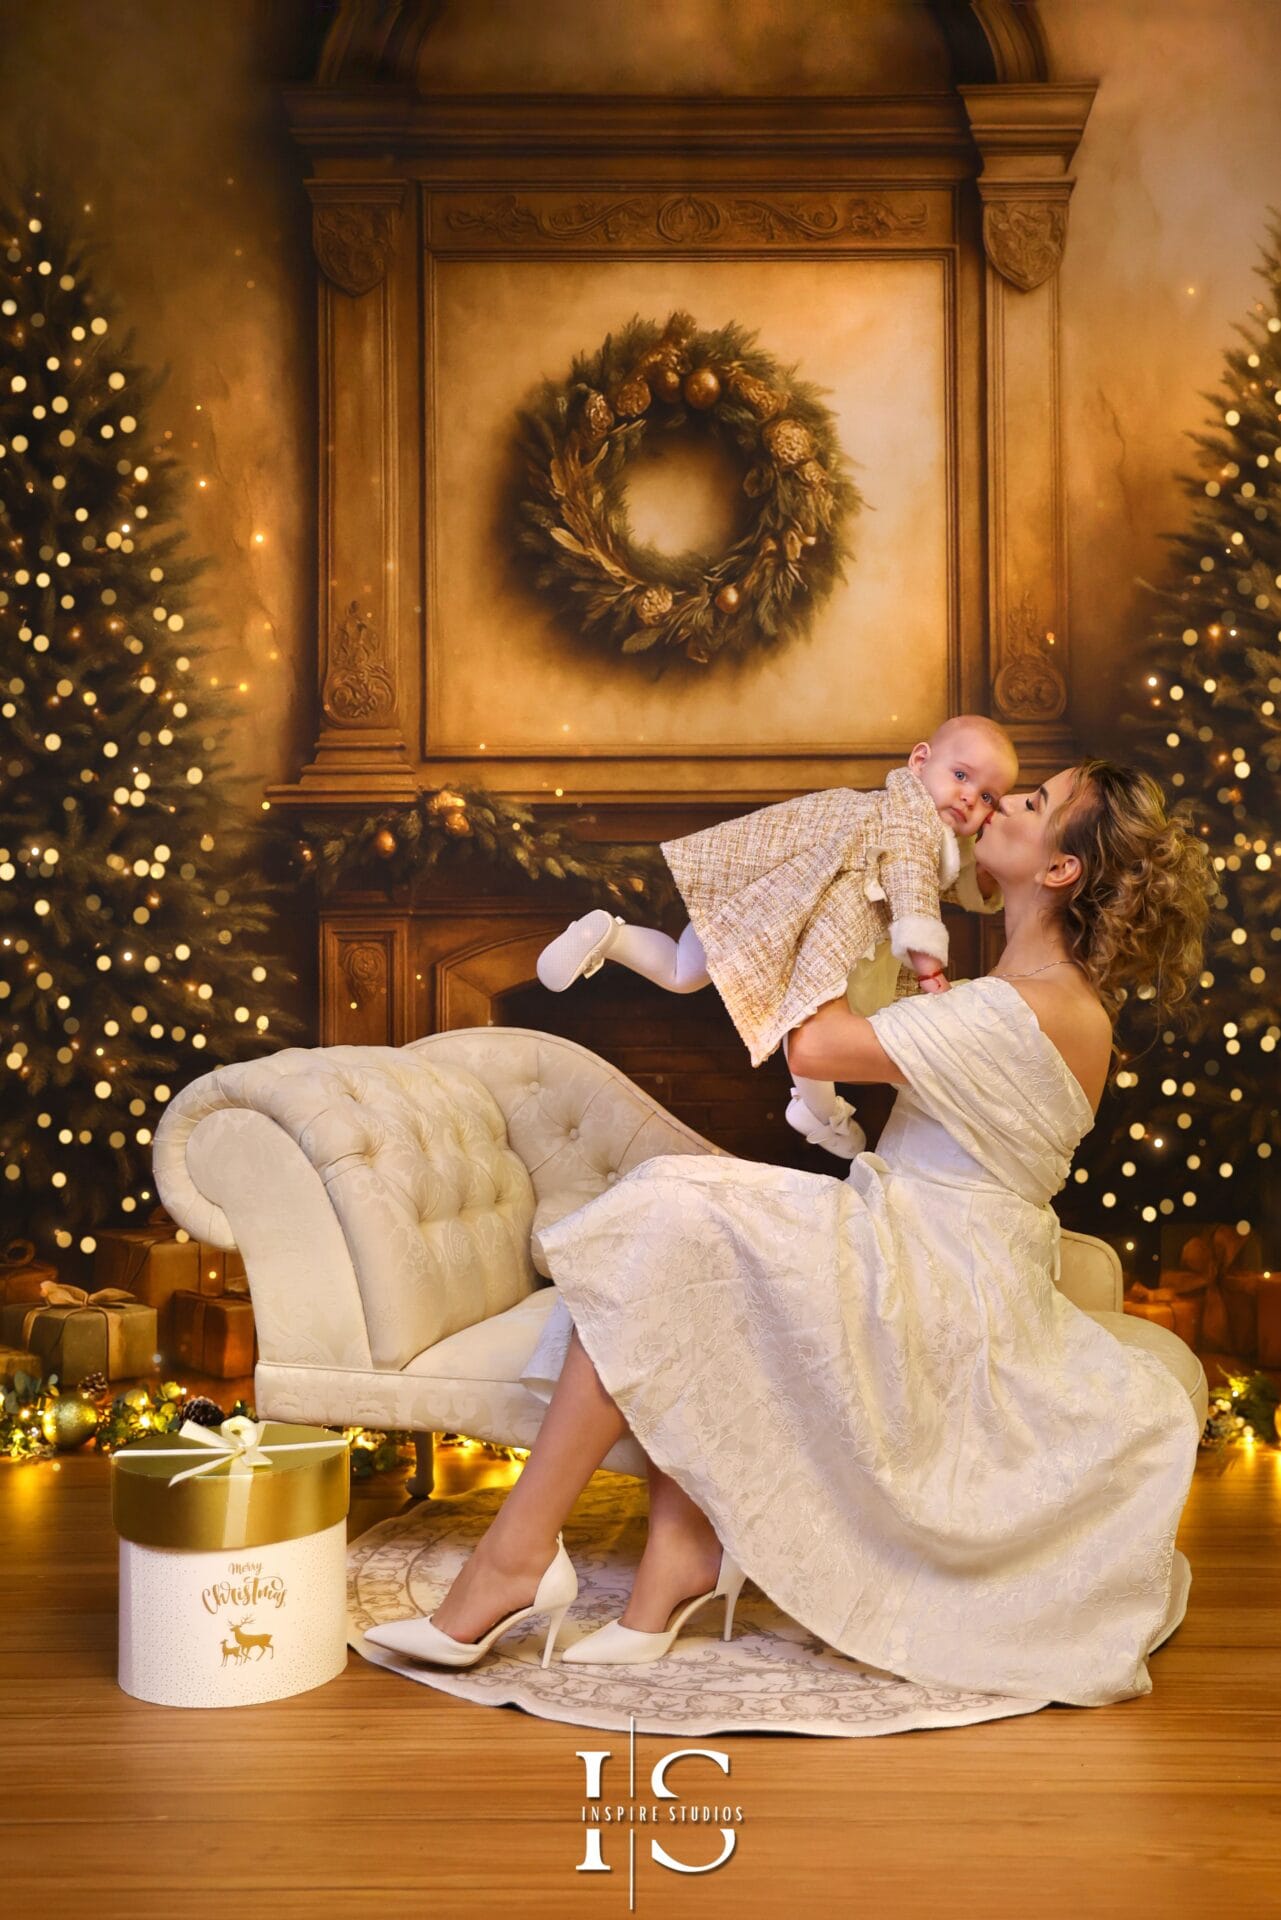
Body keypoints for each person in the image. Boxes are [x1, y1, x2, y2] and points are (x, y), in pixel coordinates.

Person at [366, 759, 1213, 1708]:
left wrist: (837, 875)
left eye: (1032, 802)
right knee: (687, 1240)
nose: (996, 806)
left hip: (947, 1276)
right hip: (920, 1237)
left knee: (673, 1210)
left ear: (1059, 869)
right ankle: (672, 1563)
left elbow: (813, 1047)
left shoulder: (1036, 1004)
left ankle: (516, 1557)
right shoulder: (1006, 988)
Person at [534, 715, 1016, 1159]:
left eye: (989, 796)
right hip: (815, 924)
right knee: (808, 1014)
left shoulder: (908, 820)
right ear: (920, 761)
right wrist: (928, 964)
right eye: (961, 776)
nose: (972, 797)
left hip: (767, 900)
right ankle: (818, 1112)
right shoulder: (912, 820)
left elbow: (947, 878)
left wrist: (986, 882)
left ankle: (610, 938)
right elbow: (912, 882)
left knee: (684, 970)